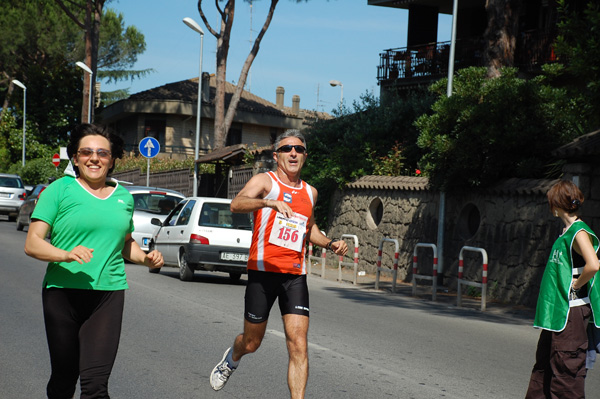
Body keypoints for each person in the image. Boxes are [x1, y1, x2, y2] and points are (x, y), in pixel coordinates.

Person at [24, 124, 164, 399]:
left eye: (102, 153)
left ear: (112, 160)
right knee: (64, 379)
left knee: (96, 386)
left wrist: (147, 260)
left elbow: (125, 243)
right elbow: (33, 243)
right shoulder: (59, 190)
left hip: (107, 295)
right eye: (86, 152)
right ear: (75, 158)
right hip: (62, 293)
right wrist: (65, 253)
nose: (94, 158)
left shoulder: (123, 197)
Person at [209, 129, 348, 398]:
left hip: (294, 275)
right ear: (276, 155)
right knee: (252, 342)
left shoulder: (311, 192)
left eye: (298, 149)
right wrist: (268, 203)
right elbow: (236, 204)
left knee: (298, 344)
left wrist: (330, 243)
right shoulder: (266, 181)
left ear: (305, 156)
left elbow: (308, 229)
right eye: (286, 149)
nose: (293, 153)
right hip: (263, 272)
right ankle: (233, 358)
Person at [525, 180, 600, 398]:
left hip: (571, 313)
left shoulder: (579, 232)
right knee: (544, 370)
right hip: (557, 314)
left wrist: (577, 284)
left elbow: (593, 264)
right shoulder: (567, 231)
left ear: (555, 205)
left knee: (566, 376)